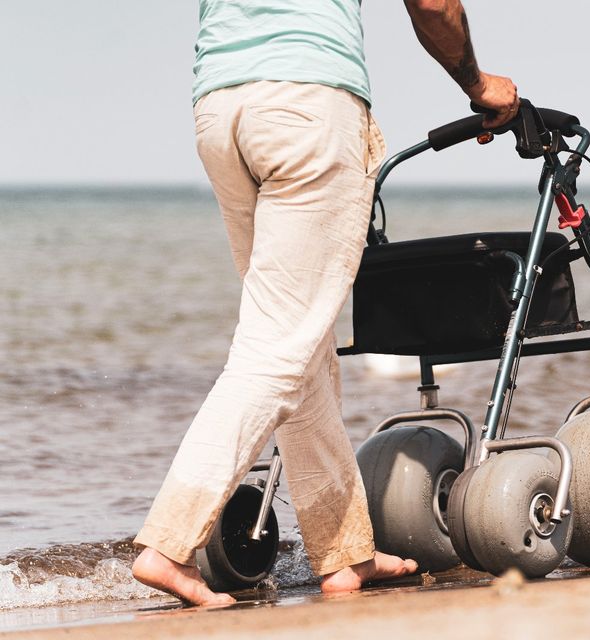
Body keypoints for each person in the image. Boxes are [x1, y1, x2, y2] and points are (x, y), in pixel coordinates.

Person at [131, 0, 519, 606]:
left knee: (299, 342)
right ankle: (169, 544)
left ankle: (344, 556)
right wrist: (478, 83)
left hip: (221, 109)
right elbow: (433, 5)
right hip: (308, 102)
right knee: (278, 348)